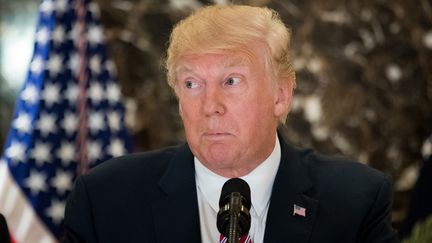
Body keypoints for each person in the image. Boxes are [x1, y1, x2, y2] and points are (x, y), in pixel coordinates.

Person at [62, 4, 399, 243]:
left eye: (231, 81)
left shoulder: (355, 203)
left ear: (280, 96)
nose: (210, 106)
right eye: (192, 84)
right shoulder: (106, 201)